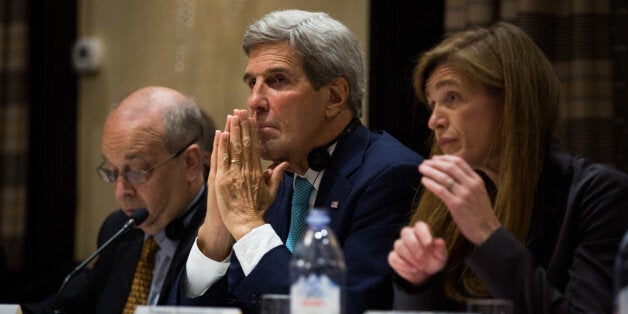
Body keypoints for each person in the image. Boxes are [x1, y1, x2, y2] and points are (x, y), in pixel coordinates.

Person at [168, 9, 424, 314]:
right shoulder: (276, 181)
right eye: (252, 83)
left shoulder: (392, 176)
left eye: (278, 80)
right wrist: (217, 231)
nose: (255, 101)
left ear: (334, 96)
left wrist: (248, 224)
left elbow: (339, 309)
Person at [388, 22, 628, 313]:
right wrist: (419, 282)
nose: (434, 120)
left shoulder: (600, 195)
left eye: (452, 97)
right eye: (432, 104)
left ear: (512, 101)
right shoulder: (454, 202)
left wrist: (489, 234)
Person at [21, 86, 209, 313]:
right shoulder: (119, 229)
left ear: (190, 163)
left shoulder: (221, 240)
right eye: (111, 171)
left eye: (137, 171)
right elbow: (67, 303)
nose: (121, 191)